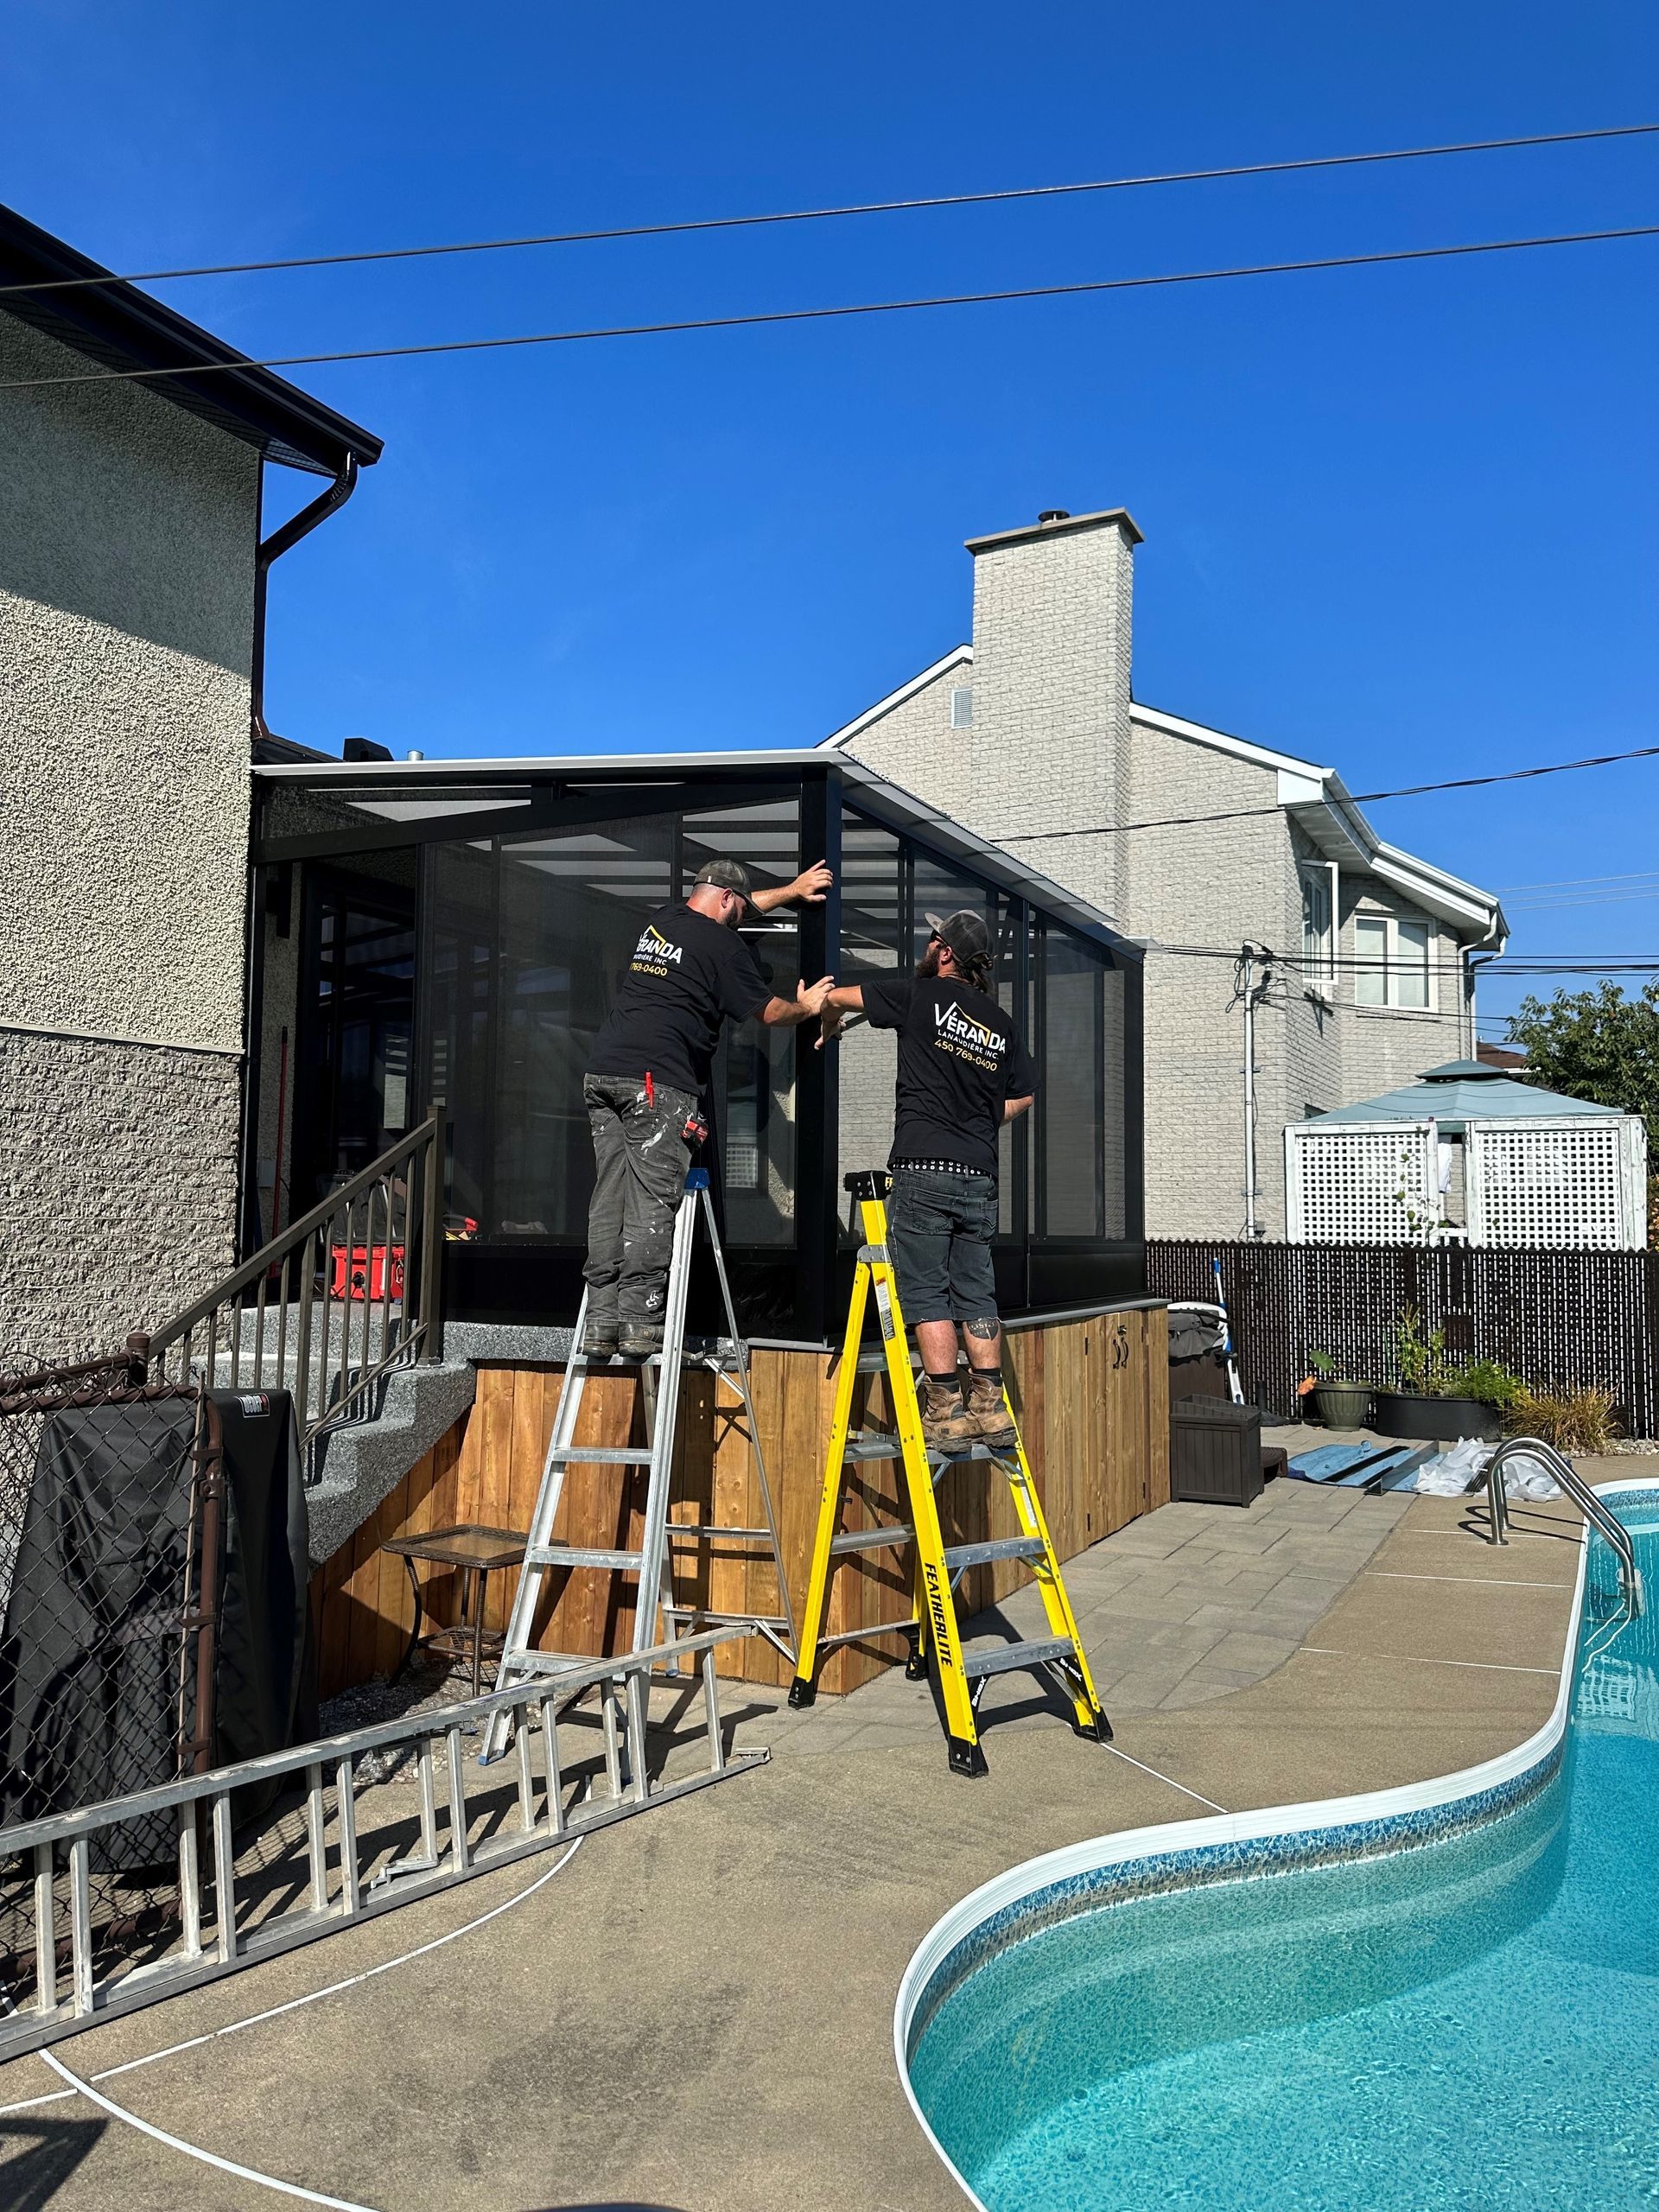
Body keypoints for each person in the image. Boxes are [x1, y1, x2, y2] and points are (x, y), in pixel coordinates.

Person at [582, 856, 835, 1357]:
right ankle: (638, 1320)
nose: (740, 919)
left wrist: (788, 891)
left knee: (609, 1195)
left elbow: (731, 908)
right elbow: (767, 1011)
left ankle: (600, 1321)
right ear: (724, 901)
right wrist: (806, 1008)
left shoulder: (666, 919)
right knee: (652, 1203)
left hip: (604, 1072)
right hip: (657, 1081)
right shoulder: (722, 945)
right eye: (737, 910)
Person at [818, 909, 1037, 1451]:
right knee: (976, 1294)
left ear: (945, 954)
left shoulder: (920, 996)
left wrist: (818, 1007)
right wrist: (985, 1118)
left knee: (927, 1295)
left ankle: (944, 1409)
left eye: (933, 939)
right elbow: (1025, 1093)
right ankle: (989, 1405)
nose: (927, 945)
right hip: (978, 1176)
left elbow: (843, 998)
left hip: (924, 1170)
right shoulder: (1001, 1024)